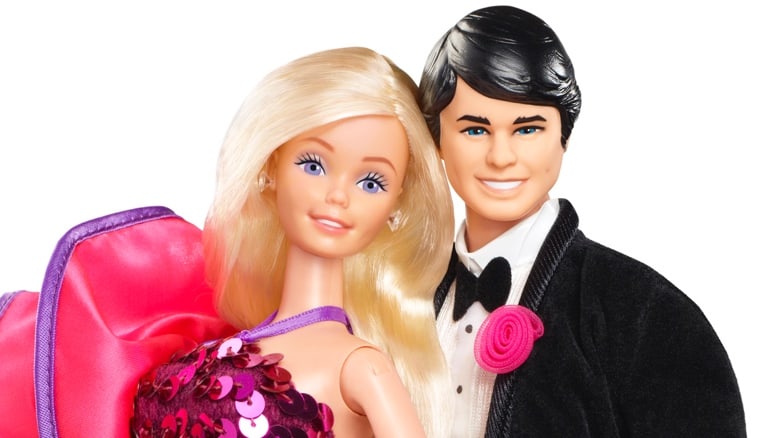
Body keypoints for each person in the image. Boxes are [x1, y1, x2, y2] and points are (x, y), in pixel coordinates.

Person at [418, 5, 746, 437]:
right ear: (436, 139)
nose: (501, 157)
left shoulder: (648, 315)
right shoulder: (406, 297)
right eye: (475, 130)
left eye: (528, 129)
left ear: (564, 136)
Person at [131, 46, 454, 437]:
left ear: (395, 206)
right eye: (314, 165)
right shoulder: (226, 343)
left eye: (371, 183)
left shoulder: (362, 368)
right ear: (272, 166)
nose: (338, 196)